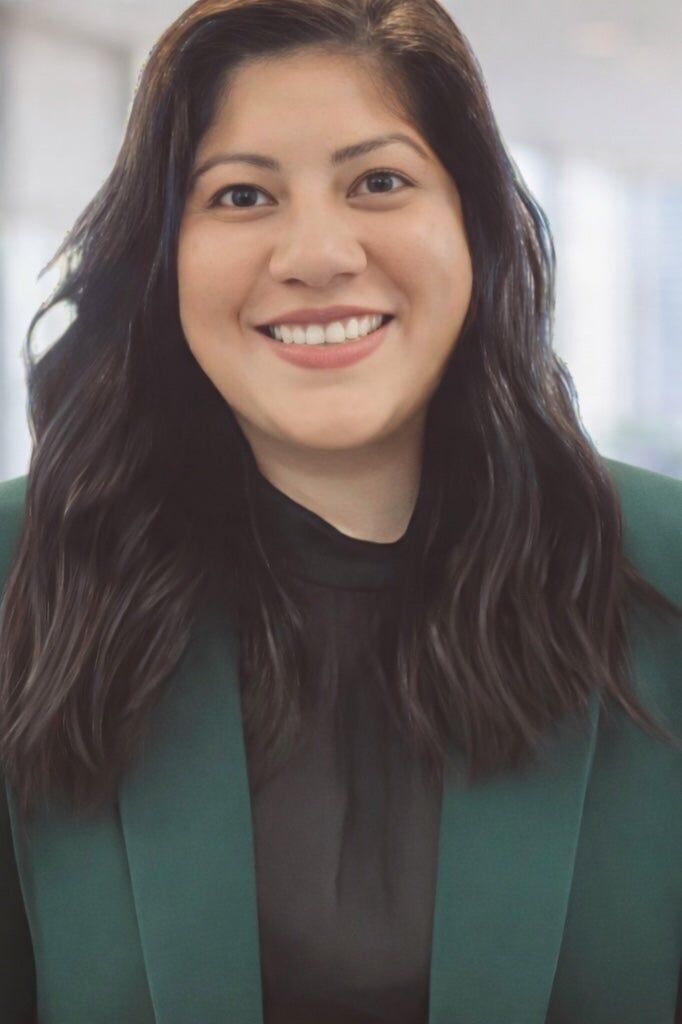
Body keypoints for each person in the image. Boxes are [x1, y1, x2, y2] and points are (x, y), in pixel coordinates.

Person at [0, 0, 680, 1021]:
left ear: (476, 224)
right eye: (241, 195)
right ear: (162, 256)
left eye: (379, 182)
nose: (316, 254)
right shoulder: (21, 571)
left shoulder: (662, 569)